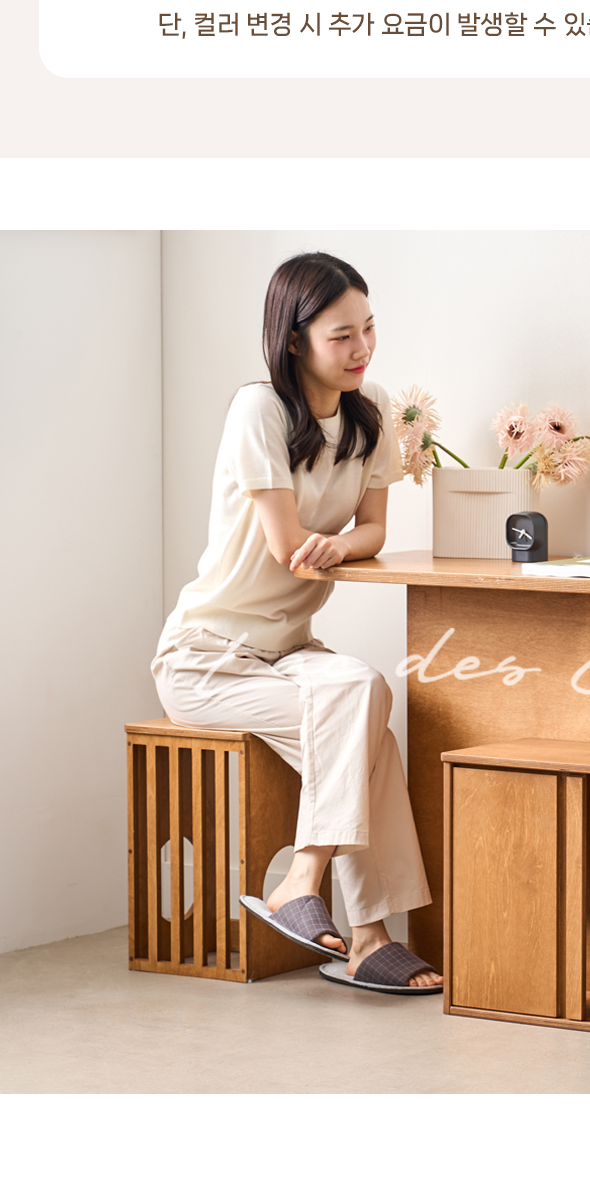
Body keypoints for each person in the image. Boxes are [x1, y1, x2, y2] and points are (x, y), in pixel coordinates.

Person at [152, 248, 438, 997]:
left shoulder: (370, 411)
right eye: (341, 335)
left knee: (363, 701)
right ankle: (359, 927)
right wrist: (328, 546)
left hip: (288, 651)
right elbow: (287, 548)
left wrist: (342, 543)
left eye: (368, 327)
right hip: (207, 658)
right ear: (294, 338)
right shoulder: (260, 409)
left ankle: (317, 893)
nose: (362, 347)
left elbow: (372, 529)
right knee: (364, 712)